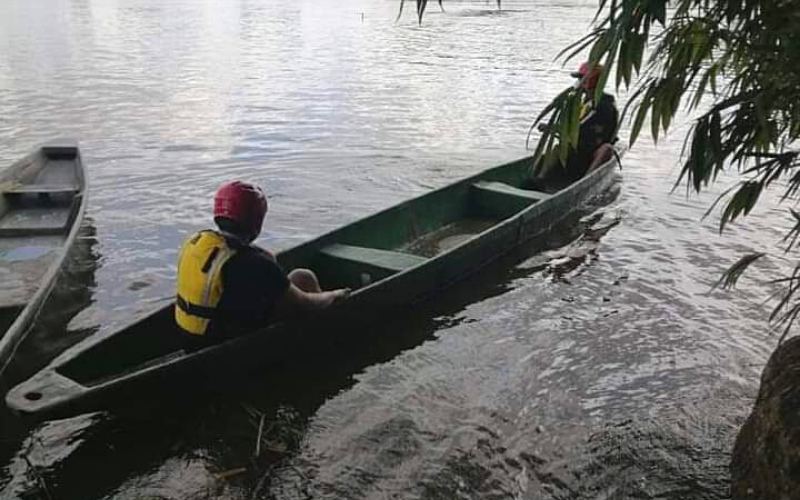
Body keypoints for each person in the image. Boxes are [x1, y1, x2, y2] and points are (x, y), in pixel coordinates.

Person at [174, 180, 349, 348]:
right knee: (306, 281)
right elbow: (304, 304)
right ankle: (323, 341)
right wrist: (333, 295)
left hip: (188, 335)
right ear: (256, 219)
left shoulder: (197, 241)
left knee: (301, 277)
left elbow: (233, 256)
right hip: (221, 341)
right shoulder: (253, 263)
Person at [532, 62, 619, 189]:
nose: (579, 82)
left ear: (590, 81)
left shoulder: (603, 106)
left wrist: (553, 128)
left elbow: (579, 128)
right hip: (579, 149)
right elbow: (573, 125)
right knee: (558, 148)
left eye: (581, 79)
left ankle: (584, 183)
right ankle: (538, 180)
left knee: (606, 149)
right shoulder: (584, 102)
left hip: (591, 153)